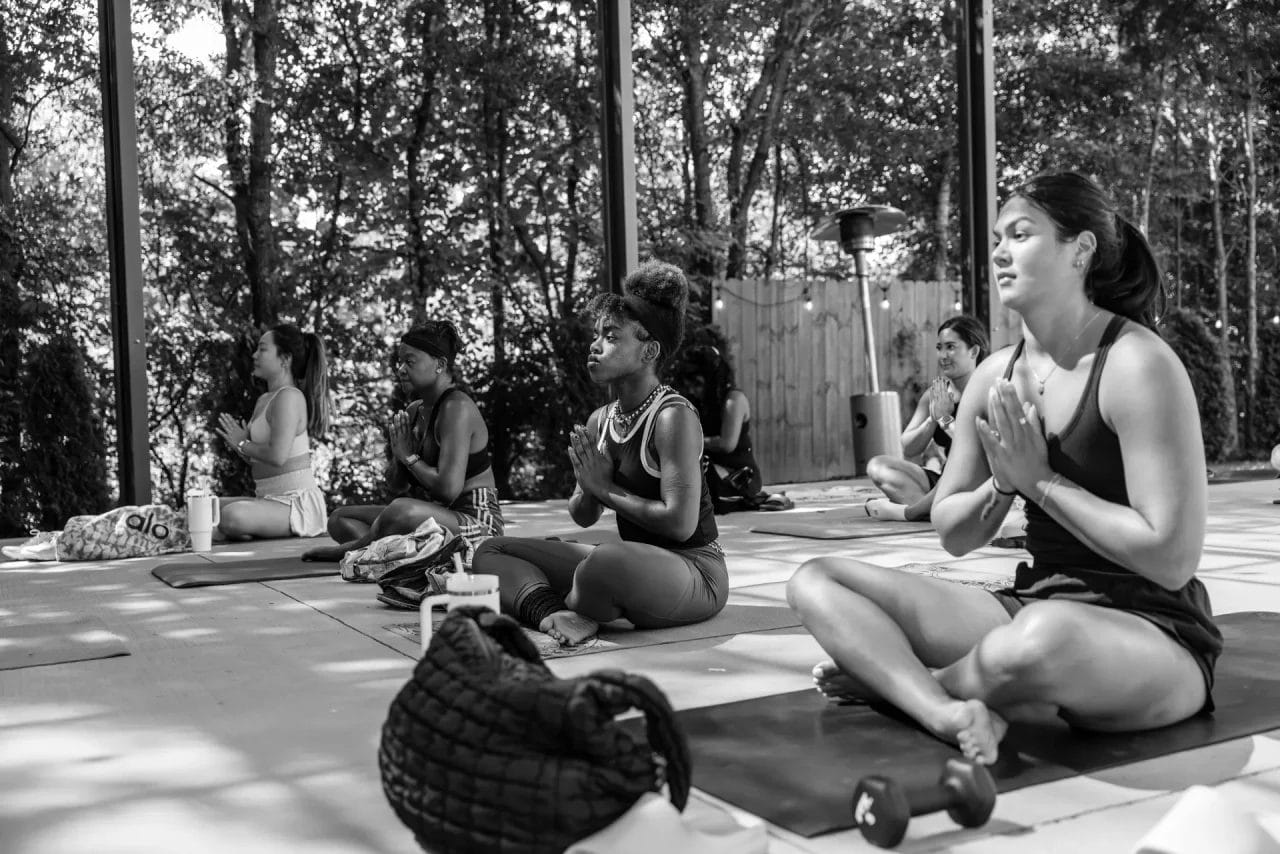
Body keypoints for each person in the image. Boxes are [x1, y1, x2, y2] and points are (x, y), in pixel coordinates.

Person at [787, 171, 1223, 765]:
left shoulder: (1138, 364)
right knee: (817, 579)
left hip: (1150, 633)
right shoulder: (994, 375)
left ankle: (908, 685)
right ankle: (948, 709)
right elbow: (953, 533)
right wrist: (1003, 482)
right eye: (997, 237)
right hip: (1030, 606)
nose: (998, 251)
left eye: (1021, 234)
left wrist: (1041, 481)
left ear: (1081, 250)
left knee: (1044, 640)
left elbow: (1172, 559)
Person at [472, 260, 728, 646]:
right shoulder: (600, 420)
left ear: (649, 351)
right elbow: (583, 514)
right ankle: (553, 612)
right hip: (633, 563)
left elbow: (680, 524)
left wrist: (604, 487)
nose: (595, 345)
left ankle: (558, 595)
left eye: (611, 336)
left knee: (604, 563)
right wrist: (588, 485)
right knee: (491, 551)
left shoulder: (673, 417)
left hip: (695, 571)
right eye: (597, 334)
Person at [301, 321, 503, 561]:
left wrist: (409, 456)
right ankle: (393, 549)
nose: (401, 370)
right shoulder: (414, 411)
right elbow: (397, 486)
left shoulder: (456, 408)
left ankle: (353, 551)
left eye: (410, 361)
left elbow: (449, 490)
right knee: (340, 518)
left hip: (477, 524)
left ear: (440, 365)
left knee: (400, 510)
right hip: (436, 518)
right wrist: (399, 455)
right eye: (400, 361)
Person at [864, 316, 988, 522]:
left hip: (977, 480)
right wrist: (933, 419)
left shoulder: (987, 390)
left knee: (960, 471)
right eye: (939, 348)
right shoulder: (936, 394)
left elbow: (979, 452)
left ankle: (917, 511)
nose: (943, 355)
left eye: (951, 347)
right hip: (946, 481)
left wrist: (946, 420)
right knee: (878, 466)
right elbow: (909, 448)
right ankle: (936, 512)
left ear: (973, 351)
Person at [213, 324, 331, 540]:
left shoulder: (289, 397)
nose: (255, 355)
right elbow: (261, 461)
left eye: (263, 349)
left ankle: (246, 532)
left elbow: (277, 456)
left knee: (230, 516)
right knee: (205, 508)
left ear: (285, 359)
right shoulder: (264, 400)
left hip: (295, 504)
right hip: (267, 499)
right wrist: (238, 445)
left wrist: (242, 443)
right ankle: (248, 531)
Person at [675, 343, 792, 513]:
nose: (693, 390)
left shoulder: (734, 400)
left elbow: (726, 444)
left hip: (738, 476)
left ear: (712, 380)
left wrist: (690, 440)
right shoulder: (700, 403)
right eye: (690, 385)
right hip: (711, 470)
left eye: (698, 384)